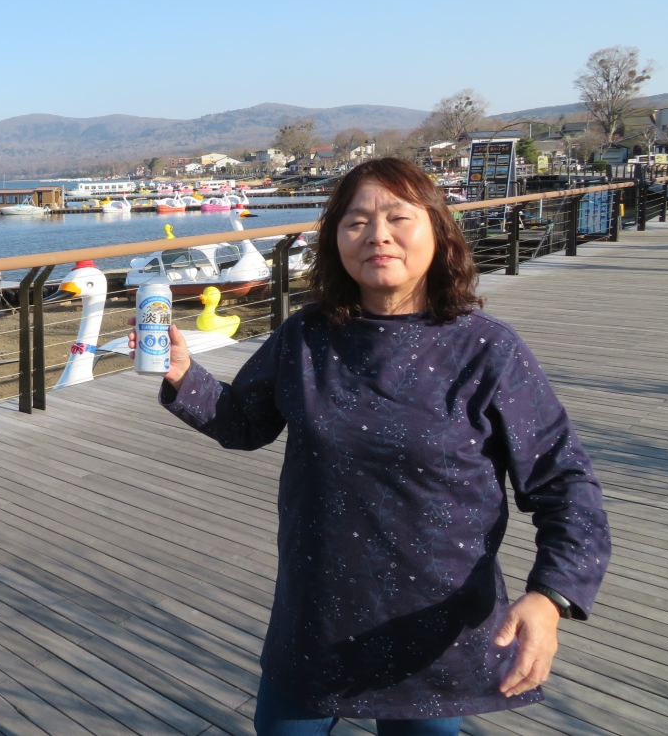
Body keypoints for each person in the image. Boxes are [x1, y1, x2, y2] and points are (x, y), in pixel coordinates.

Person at [132, 158, 610, 735]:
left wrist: (551, 596)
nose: (377, 235)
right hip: (315, 618)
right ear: (335, 241)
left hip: (433, 629)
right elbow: (244, 423)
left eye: (399, 218)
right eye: (356, 222)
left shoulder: (487, 350)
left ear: (438, 231)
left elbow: (565, 483)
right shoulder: (306, 336)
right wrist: (184, 375)